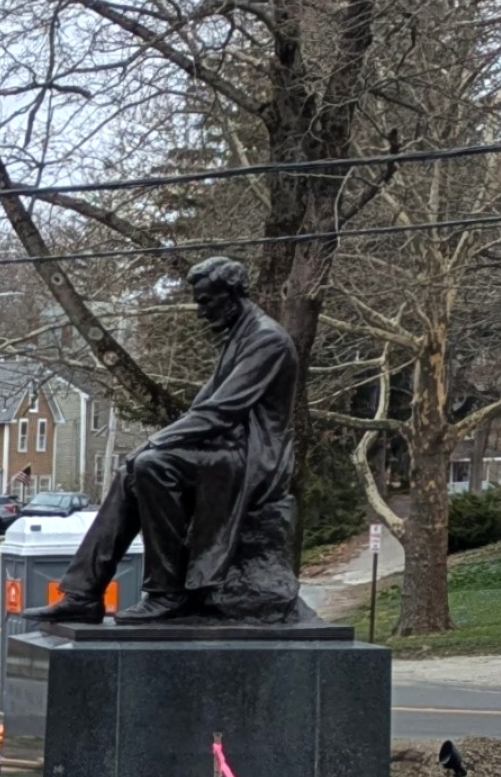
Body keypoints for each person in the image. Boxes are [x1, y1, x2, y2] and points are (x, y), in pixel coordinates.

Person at [30, 255, 310, 627]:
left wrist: (154, 443)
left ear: (233, 295)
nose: (200, 310)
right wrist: (156, 444)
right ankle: (84, 593)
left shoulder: (266, 339)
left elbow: (221, 412)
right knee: (134, 469)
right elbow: (205, 406)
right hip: (226, 446)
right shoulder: (240, 335)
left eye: (206, 300)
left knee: (152, 465)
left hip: (254, 456)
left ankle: (167, 593)